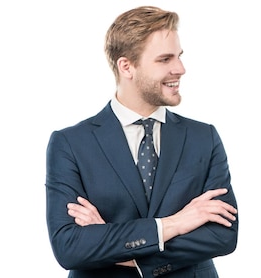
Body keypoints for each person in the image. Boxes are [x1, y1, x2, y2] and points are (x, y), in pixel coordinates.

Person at [45, 6, 239, 278]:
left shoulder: (203, 138)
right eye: (165, 59)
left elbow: (222, 235)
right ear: (127, 66)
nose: (180, 69)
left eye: (179, 57)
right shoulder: (71, 143)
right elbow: (70, 247)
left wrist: (116, 247)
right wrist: (175, 223)